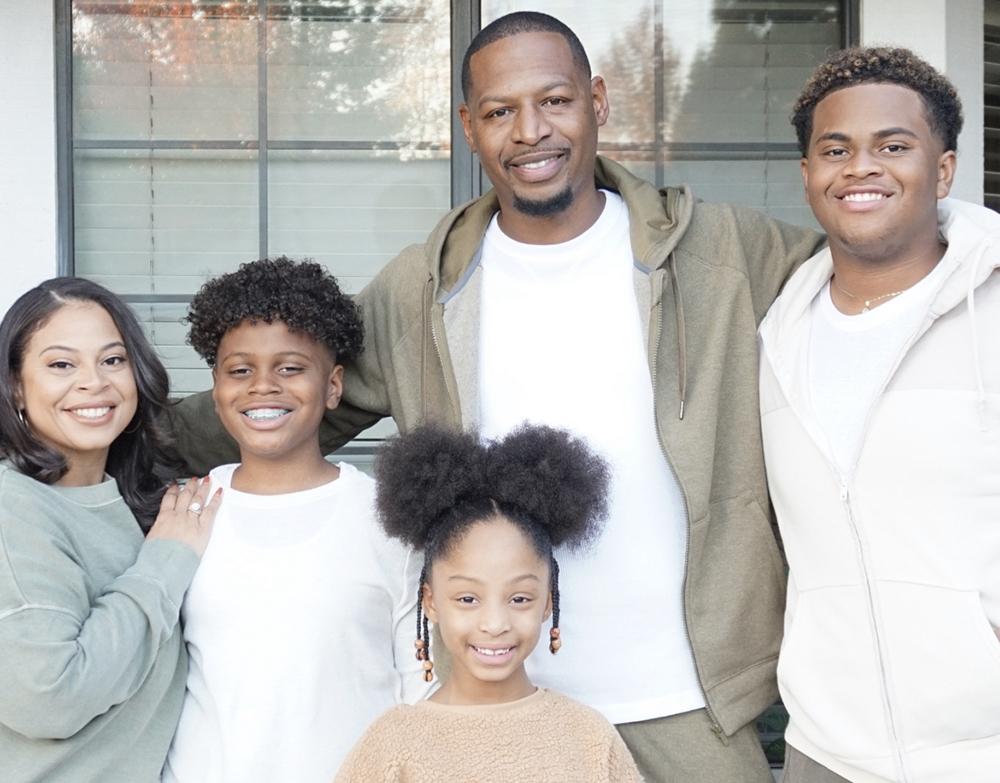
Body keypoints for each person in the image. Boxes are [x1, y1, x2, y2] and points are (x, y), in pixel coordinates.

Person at [168, 12, 825, 780]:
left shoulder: (720, 251)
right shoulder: (422, 288)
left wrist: (972, 240)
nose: (531, 131)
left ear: (599, 101)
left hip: (686, 700)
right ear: (468, 127)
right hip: (498, 705)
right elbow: (286, 394)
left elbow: (873, 270)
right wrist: (93, 427)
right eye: (500, 111)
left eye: (555, 101)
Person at [759, 47, 1000, 783]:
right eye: (836, 150)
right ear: (808, 178)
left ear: (945, 169)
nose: (861, 167)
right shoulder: (779, 334)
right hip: (827, 750)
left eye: (893, 146)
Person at [162, 257, 427, 783]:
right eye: (240, 370)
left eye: (290, 368)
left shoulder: (387, 520)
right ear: (215, 391)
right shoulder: (186, 511)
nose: (264, 386)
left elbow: (419, 687)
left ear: (333, 387)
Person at [0, 277, 218, 783]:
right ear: (15, 384)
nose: (93, 382)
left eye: (112, 360)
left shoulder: (135, 501)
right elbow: (47, 698)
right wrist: (165, 561)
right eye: (61, 365)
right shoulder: (14, 509)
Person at [336, 424, 642, 782]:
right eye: (468, 598)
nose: (495, 623)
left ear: (548, 602)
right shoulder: (394, 743)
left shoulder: (589, 736)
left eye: (519, 598)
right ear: (431, 602)